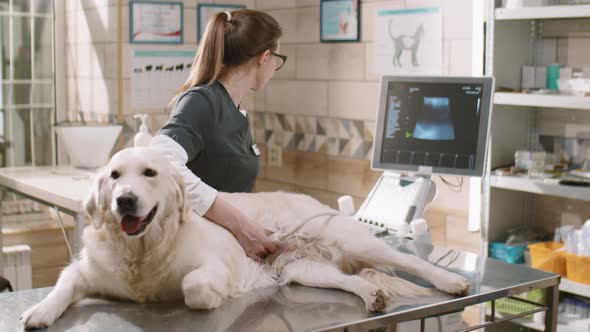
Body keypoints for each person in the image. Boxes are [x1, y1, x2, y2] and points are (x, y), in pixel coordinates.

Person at [150, 9, 287, 261]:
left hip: (225, 251)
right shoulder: (202, 101)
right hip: (196, 255)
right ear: (264, 57)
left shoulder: (235, 110)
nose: (275, 67)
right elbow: (160, 162)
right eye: (277, 59)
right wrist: (241, 225)